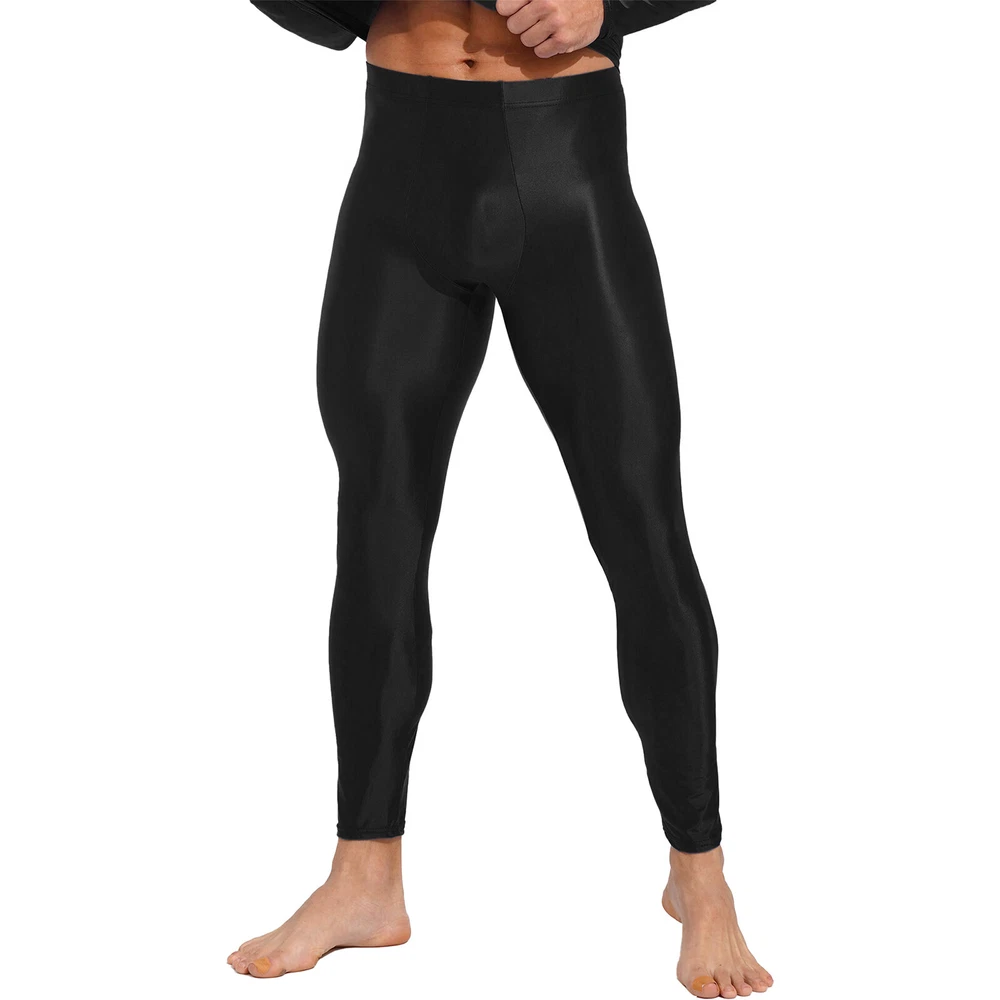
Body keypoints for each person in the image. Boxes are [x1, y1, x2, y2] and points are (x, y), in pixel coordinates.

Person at [229, 3, 773, 997]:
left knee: (643, 533)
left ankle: (700, 873)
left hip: (566, 168)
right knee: (378, 533)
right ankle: (365, 875)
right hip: (400, 174)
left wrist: (608, 6)